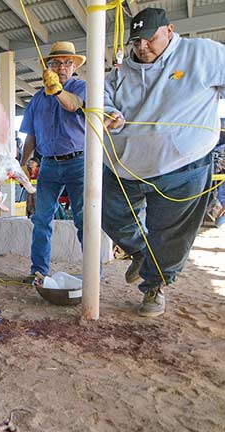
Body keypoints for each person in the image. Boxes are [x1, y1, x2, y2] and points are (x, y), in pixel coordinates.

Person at [102, 7, 225, 317]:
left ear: (169, 31)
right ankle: (140, 253)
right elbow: (100, 100)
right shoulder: (118, 75)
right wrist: (108, 113)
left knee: (171, 235)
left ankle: (154, 287)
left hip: (184, 166)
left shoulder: (203, 54)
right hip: (123, 166)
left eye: (149, 39)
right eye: (137, 42)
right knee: (107, 212)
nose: (142, 47)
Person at [19, 41, 87, 282]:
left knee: (83, 219)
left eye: (68, 63)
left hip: (79, 162)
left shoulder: (82, 87)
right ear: (47, 67)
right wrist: (21, 164)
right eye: (56, 63)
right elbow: (31, 135)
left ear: (74, 67)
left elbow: (72, 105)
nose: (62, 68)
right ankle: (38, 270)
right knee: (41, 219)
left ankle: (92, 274)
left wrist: (57, 90)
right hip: (48, 164)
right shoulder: (37, 99)